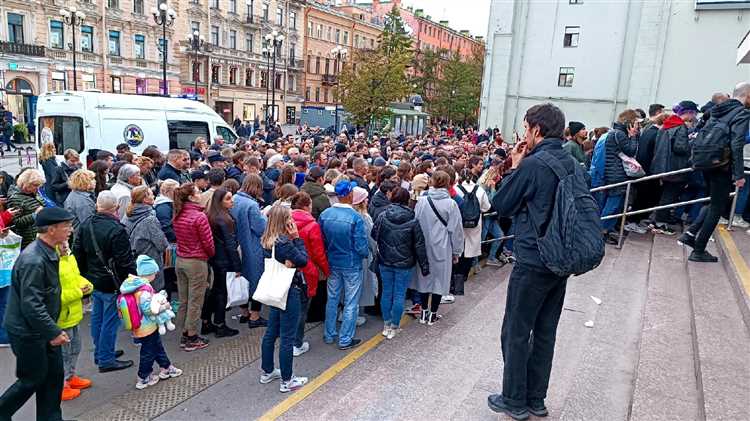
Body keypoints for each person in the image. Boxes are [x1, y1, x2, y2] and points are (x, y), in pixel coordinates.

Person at [487, 103, 576, 420]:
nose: (524, 133)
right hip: (561, 257)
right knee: (545, 331)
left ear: (536, 130)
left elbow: (502, 204)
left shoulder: (534, 164)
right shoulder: (569, 159)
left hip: (534, 257)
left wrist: (515, 165)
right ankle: (536, 399)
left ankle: (513, 399)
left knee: (516, 330)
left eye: (526, 128)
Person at [0, 208, 74, 421]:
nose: (70, 230)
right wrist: (53, 331)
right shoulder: (34, 259)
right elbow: (31, 305)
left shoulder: (48, 251)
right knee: (32, 379)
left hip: (40, 330)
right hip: (29, 333)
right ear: (51, 229)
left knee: (52, 378)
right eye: (66, 226)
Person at [679, 82, 750, 262]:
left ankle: (691, 233)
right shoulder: (741, 113)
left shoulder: (719, 110)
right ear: (747, 94)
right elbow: (736, 143)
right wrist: (739, 174)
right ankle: (699, 249)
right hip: (722, 164)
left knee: (713, 202)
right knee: (717, 207)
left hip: (706, 162)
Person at [73, 191, 136, 372]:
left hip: (93, 279)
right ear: (116, 208)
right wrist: (132, 280)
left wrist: (85, 276)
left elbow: (77, 253)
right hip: (111, 282)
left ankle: (101, 352)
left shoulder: (86, 224)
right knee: (110, 321)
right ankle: (106, 359)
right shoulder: (116, 229)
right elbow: (124, 261)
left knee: (97, 318)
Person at [258, 205, 310, 393]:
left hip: (274, 290)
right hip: (289, 290)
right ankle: (287, 380)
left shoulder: (267, 240)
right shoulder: (285, 243)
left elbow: (294, 261)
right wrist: (296, 238)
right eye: (289, 217)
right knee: (287, 336)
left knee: (271, 332)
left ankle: (267, 371)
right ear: (284, 221)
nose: (293, 221)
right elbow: (304, 260)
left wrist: (292, 260)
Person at [371, 187, 428, 339]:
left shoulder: (382, 216)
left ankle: (386, 324)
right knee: (399, 294)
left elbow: (373, 234)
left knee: (386, 292)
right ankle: (395, 326)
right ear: (407, 200)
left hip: (385, 260)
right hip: (405, 263)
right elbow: (419, 245)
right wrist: (425, 266)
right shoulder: (413, 219)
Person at [119, 255, 183, 390]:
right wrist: (163, 307)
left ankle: (166, 367)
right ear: (150, 273)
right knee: (148, 351)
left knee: (156, 346)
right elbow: (149, 310)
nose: (156, 274)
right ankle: (143, 377)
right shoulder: (145, 290)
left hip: (142, 325)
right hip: (146, 326)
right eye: (154, 272)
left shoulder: (134, 284)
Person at [319, 180, 370, 350]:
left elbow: (322, 241)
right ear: (350, 195)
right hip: (351, 263)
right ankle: (345, 338)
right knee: (351, 302)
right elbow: (361, 246)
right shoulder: (355, 217)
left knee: (332, 298)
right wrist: (364, 255)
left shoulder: (325, 214)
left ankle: (329, 333)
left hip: (333, 261)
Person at [412, 170, 464, 325]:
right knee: (439, 281)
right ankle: (432, 314)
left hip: (423, 245)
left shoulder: (421, 201)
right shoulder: (451, 204)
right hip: (443, 246)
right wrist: (457, 251)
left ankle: (423, 312)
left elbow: (415, 223)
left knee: (424, 278)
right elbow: (456, 230)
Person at [173, 183, 215, 351]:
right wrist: (210, 255)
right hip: (196, 261)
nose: (200, 193)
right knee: (196, 300)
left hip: (181, 259)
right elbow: (208, 242)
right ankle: (191, 336)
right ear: (191, 197)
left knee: (184, 299)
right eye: (198, 191)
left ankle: (184, 331)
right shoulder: (199, 216)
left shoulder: (178, 213)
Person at [290, 192, 329, 356]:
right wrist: (326, 270)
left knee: (289, 307)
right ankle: (296, 343)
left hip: (287, 268)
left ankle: (289, 338)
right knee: (302, 308)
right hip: (306, 270)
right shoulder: (312, 225)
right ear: (306, 206)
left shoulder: (285, 220)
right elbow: (319, 252)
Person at [57, 240, 93, 401]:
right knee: (63, 354)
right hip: (61, 317)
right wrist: (79, 292)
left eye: (66, 243)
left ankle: (70, 376)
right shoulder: (50, 262)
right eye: (62, 244)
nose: (66, 246)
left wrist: (87, 285)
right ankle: (61, 385)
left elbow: (76, 277)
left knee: (75, 347)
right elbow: (53, 296)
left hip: (73, 313)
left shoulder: (69, 257)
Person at [203, 188, 241, 338]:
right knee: (221, 293)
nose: (232, 201)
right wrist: (237, 266)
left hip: (214, 258)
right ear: (220, 202)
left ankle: (206, 321)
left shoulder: (211, 215)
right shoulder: (225, 219)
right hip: (224, 260)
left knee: (215, 291)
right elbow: (230, 245)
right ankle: (220, 325)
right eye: (228, 199)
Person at [232, 174, 268, 328]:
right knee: (256, 282)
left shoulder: (233, 199)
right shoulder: (252, 205)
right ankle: (255, 316)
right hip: (252, 247)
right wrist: (265, 215)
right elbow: (261, 228)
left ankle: (244, 312)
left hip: (237, 246)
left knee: (241, 281)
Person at [651, 103, 694, 234]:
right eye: (693, 113)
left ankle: (658, 220)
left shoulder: (667, 124)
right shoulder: (680, 126)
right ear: (688, 112)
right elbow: (680, 148)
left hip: (663, 165)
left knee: (665, 194)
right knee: (670, 195)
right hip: (676, 167)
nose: (694, 116)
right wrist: (690, 143)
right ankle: (661, 223)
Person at [600, 110, 640, 243]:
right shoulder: (620, 134)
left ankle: (607, 229)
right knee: (613, 204)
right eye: (635, 123)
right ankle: (602, 231)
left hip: (614, 172)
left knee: (615, 204)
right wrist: (633, 136)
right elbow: (631, 150)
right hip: (617, 174)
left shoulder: (615, 133)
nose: (637, 127)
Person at [453, 168, 491, 296]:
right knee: (470, 251)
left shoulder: (456, 189)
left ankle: (455, 283)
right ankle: (463, 278)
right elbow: (486, 207)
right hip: (475, 225)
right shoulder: (480, 190)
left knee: (459, 251)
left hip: (459, 223)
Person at [124, 186, 169, 291]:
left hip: (134, 261)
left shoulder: (128, 215)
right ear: (144, 199)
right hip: (149, 263)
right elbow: (162, 244)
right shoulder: (150, 219)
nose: (153, 195)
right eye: (150, 193)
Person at [7, 169, 46, 249]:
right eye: (35, 185)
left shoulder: (33, 192)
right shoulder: (15, 198)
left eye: (38, 185)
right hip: (28, 241)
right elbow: (17, 223)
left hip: (40, 236)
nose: (37, 188)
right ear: (25, 183)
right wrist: (35, 215)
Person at [64, 169, 97, 235]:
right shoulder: (83, 201)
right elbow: (89, 224)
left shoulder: (75, 194)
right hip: (84, 238)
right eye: (92, 179)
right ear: (85, 182)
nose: (95, 181)